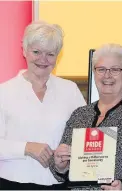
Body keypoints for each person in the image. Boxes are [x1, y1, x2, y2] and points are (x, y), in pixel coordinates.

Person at [50, 43, 122, 190]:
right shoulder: (80, 115)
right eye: (101, 69)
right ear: (94, 72)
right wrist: (60, 166)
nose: (107, 75)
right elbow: (64, 170)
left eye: (115, 69)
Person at [0, 21, 86, 190]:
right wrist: (27, 147)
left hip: (59, 184)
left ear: (58, 56)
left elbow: (84, 136)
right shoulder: (4, 92)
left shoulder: (70, 90)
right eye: (36, 52)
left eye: (50, 54)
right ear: (24, 51)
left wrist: (69, 153)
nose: (43, 59)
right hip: (12, 184)